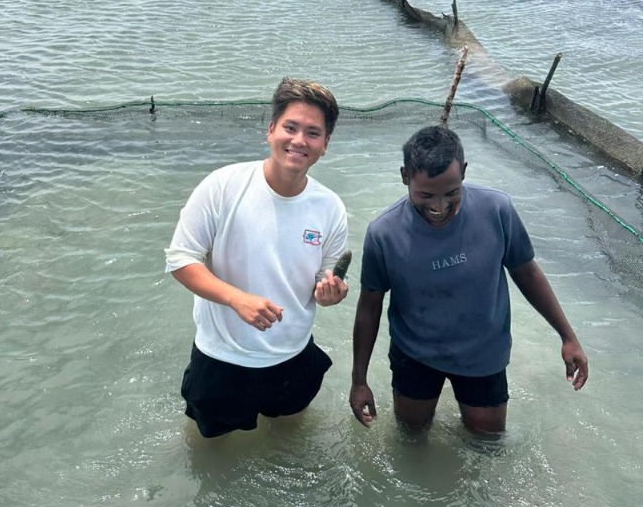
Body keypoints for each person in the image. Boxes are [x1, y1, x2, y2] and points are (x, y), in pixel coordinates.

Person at [350, 125, 588, 434]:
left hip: (484, 353)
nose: (439, 207)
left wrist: (567, 336)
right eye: (425, 195)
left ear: (463, 172)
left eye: (451, 193)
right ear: (405, 176)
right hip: (415, 353)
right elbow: (369, 307)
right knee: (411, 435)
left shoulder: (497, 209)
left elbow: (526, 272)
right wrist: (359, 381)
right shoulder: (383, 233)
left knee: (487, 441)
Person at [166, 78, 349, 438]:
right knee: (211, 455)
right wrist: (237, 299)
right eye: (290, 128)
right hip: (221, 358)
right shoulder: (222, 186)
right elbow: (180, 260)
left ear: (325, 145)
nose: (299, 141)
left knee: (289, 440)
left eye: (313, 133)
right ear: (270, 130)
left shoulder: (331, 208)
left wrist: (330, 292)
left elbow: (322, 280)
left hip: (293, 355)